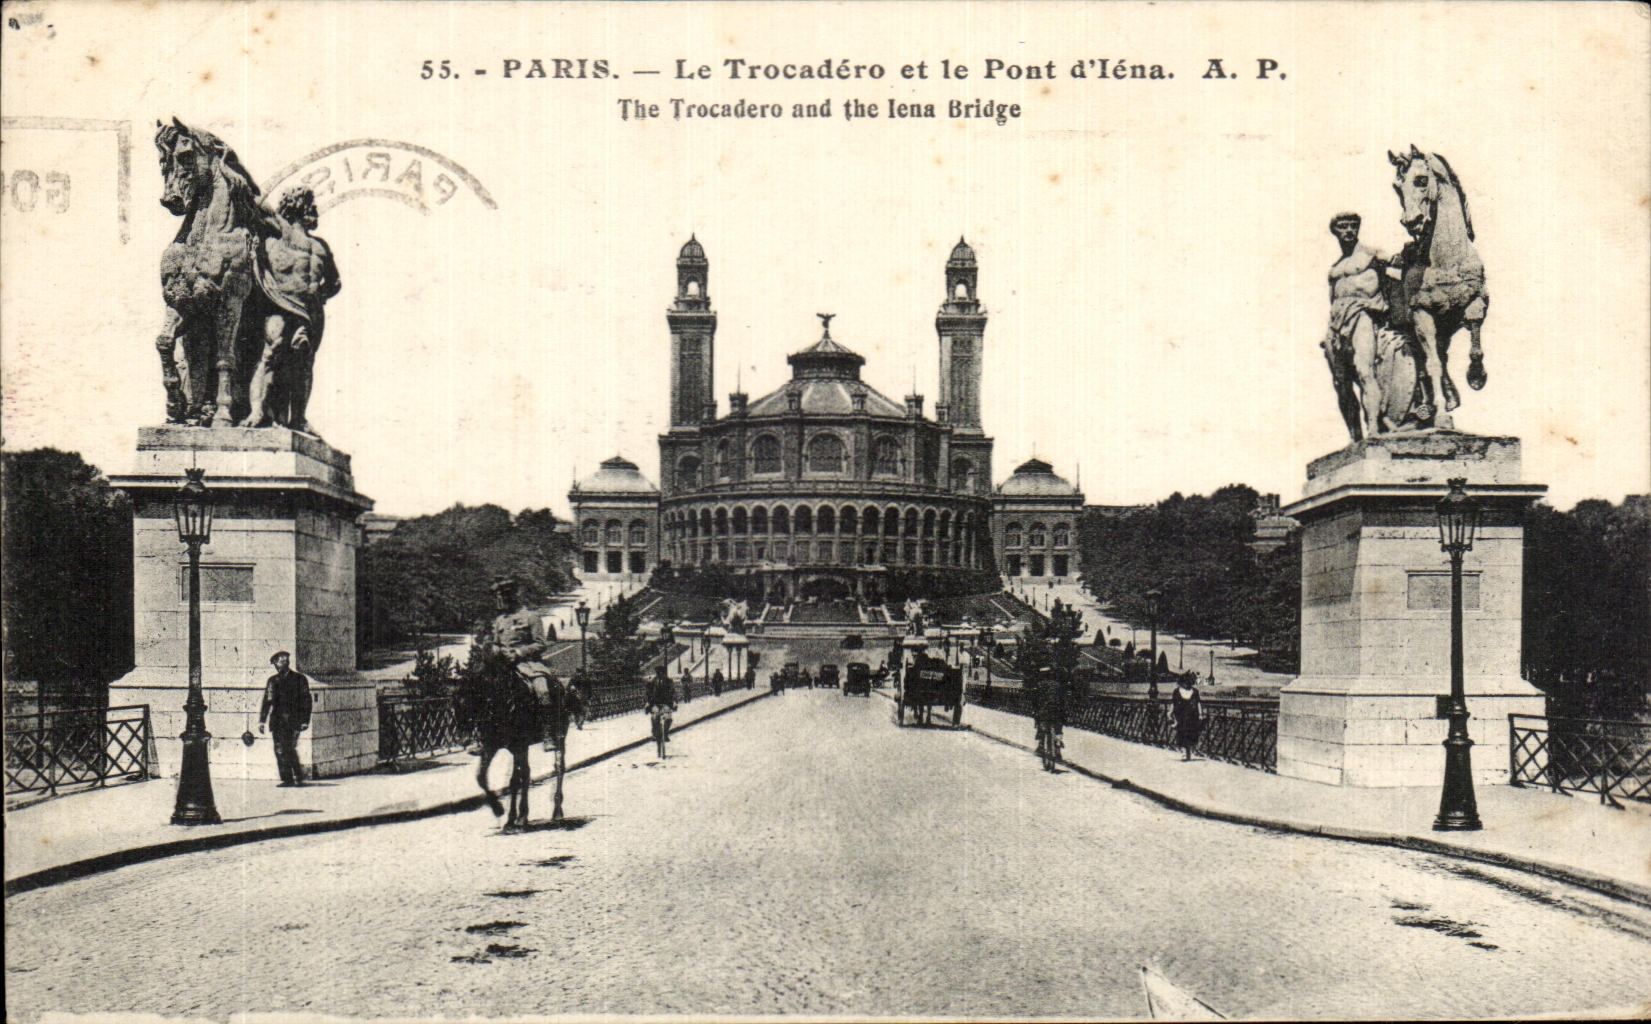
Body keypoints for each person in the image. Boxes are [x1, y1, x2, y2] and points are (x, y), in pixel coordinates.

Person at [247, 186, 341, 433]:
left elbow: (334, 282)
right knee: (272, 351)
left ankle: (298, 418)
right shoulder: (281, 231)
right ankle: (257, 410)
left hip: (310, 313)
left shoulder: (321, 247)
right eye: (310, 205)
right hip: (281, 303)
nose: (314, 210)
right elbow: (256, 203)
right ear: (298, 206)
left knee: (303, 361)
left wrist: (321, 294)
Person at [259, 650, 312, 786]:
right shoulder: (273, 680)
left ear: (287, 663)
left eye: (281, 662)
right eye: (277, 663)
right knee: (279, 750)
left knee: (289, 748)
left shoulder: (299, 679)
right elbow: (267, 701)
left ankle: (298, 776)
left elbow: (306, 700)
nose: (279, 665)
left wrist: (305, 720)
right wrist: (262, 720)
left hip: (294, 720)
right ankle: (287, 779)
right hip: (277, 721)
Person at [1031, 666, 1064, 772]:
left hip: (1044, 713)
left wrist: (1035, 711)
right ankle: (1058, 745)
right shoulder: (1057, 685)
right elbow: (1063, 700)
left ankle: (1041, 745)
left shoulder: (1039, 686)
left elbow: (1035, 701)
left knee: (1041, 728)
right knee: (1058, 728)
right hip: (1056, 713)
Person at [1169, 675, 1203, 761]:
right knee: (1182, 733)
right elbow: (1173, 703)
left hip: (1192, 716)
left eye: (1188, 683)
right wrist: (1170, 713)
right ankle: (1184, 752)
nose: (1186, 684)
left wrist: (1200, 714)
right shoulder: (1176, 692)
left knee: (1191, 734)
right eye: (1184, 683)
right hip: (1180, 716)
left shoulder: (1195, 691)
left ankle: (1189, 752)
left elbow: (1198, 703)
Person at [645, 666, 677, 753]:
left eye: (661, 673)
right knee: (654, 718)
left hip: (666, 703)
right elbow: (648, 693)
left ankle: (665, 733)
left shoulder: (669, 681)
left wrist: (674, 702)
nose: (660, 675)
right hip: (655, 703)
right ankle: (654, 734)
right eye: (658, 673)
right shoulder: (652, 682)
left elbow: (673, 692)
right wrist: (648, 702)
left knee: (668, 718)